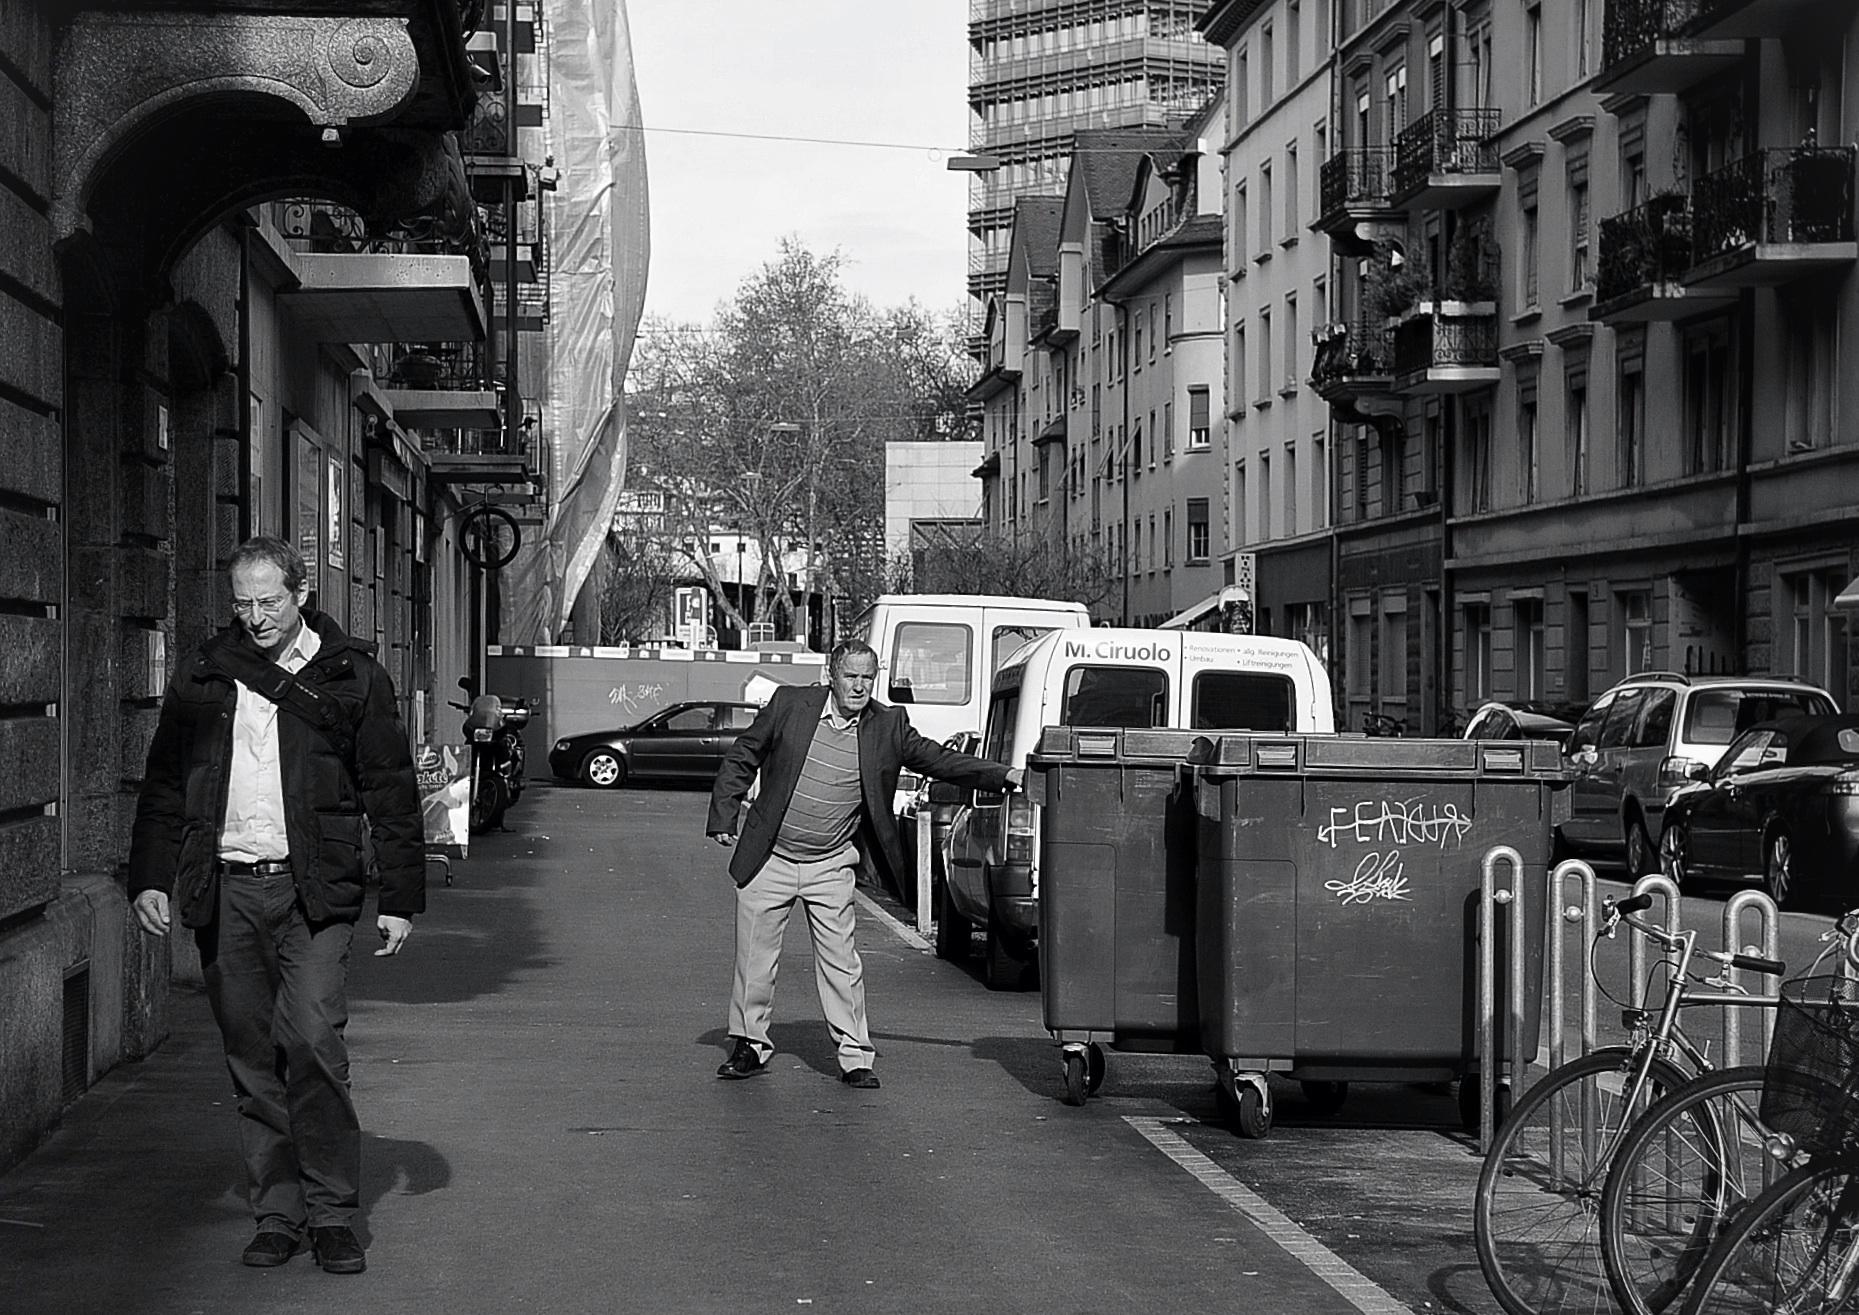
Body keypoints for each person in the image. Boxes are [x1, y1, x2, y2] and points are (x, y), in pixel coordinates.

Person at [128, 536, 423, 1275]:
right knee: (253, 1054)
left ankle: (330, 1214)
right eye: (244, 603)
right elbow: (165, 780)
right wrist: (150, 876)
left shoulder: (350, 674)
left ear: (302, 594)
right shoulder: (204, 673)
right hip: (226, 885)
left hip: (311, 890)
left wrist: (400, 898)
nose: (256, 616)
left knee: (315, 1040)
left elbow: (389, 785)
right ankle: (277, 1214)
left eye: (270, 601)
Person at [707, 639, 1022, 1088]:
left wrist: (1003, 775)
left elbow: (940, 760)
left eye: (867, 678)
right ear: (830, 676)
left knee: (842, 964)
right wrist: (724, 812)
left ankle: (855, 1056)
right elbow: (744, 753)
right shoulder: (790, 705)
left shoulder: (887, 726)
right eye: (851, 676)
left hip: (831, 864)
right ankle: (749, 1046)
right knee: (754, 961)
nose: (859, 686)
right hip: (770, 858)